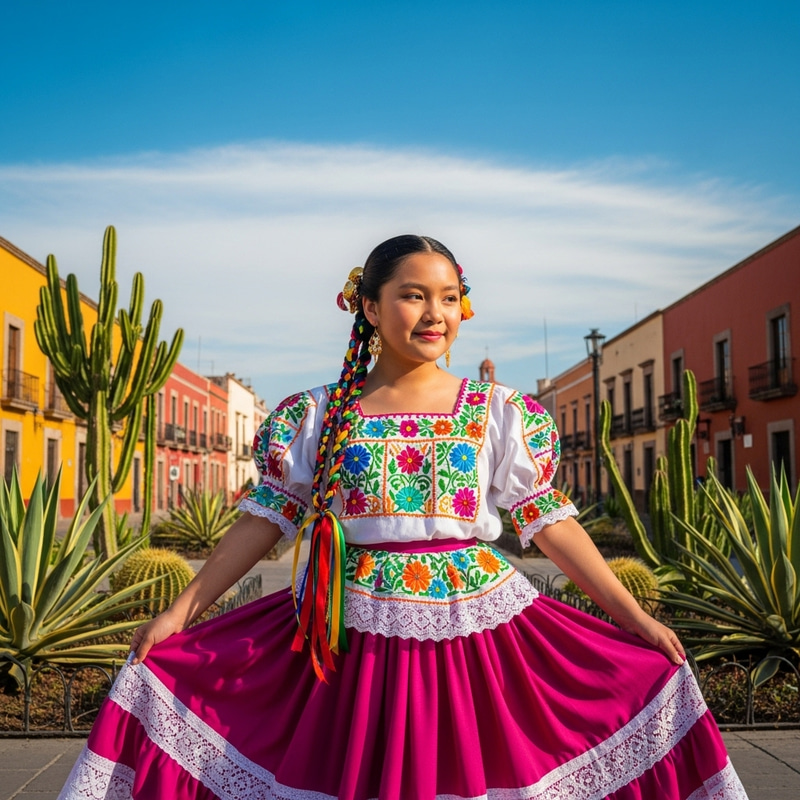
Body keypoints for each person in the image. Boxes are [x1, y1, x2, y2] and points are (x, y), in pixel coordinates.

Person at [58, 235, 748, 800]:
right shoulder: (319, 415)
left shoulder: (498, 413)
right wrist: (182, 612)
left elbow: (553, 526)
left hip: (477, 633)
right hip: (343, 638)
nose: (434, 313)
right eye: (413, 294)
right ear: (367, 304)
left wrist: (635, 620)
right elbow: (265, 521)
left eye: (449, 297)